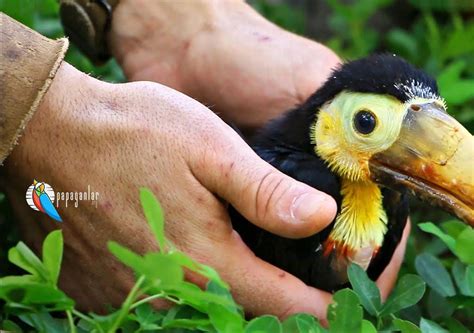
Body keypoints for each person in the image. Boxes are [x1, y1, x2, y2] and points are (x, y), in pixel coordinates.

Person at [0, 0, 409, 320]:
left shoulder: (381, 201)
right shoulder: (309, 179)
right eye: (368, 121)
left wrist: (181, 21)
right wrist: (34, 110)